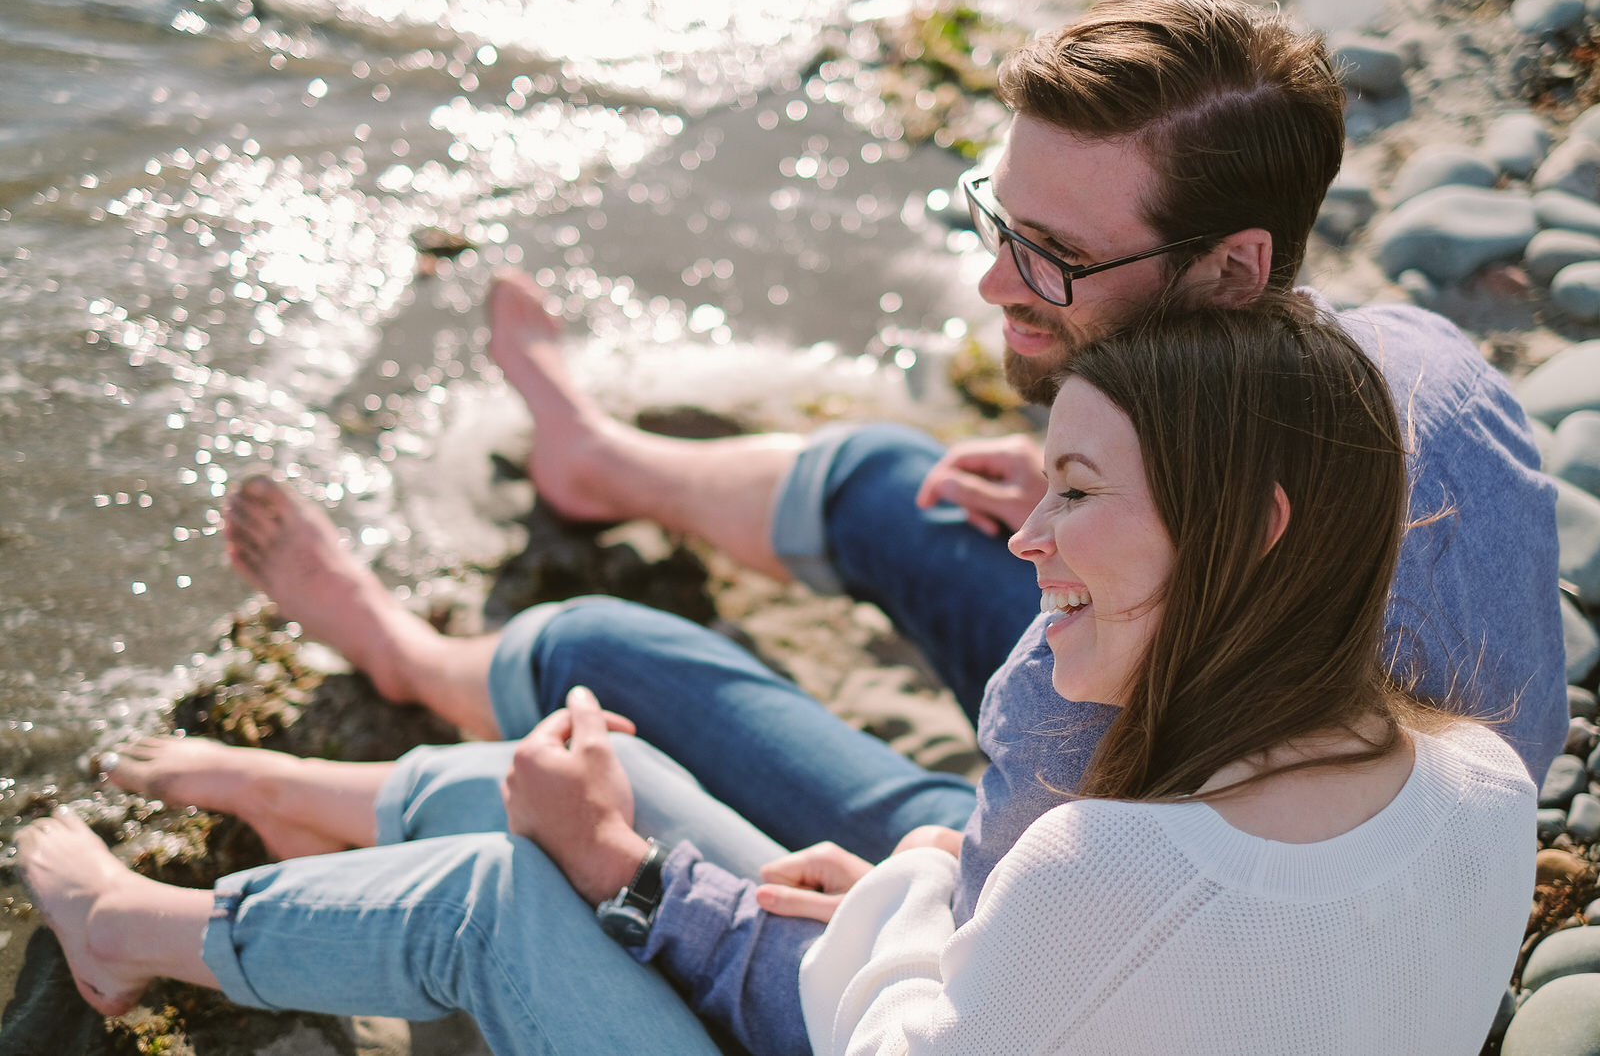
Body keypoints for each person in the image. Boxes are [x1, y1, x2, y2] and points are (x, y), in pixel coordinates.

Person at [19, 300, 1535, 1056]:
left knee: (502, 897)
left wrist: (649, 884)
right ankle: (321, 795)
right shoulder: (1479, 783)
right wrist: (933, 882)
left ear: (1250, 529)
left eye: (1077, 490)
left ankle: (125, 927)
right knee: (636, 778)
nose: (1031, 541)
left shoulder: (1113, 861)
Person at [208, 0, 1565, 804]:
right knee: (889, 478)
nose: (992, 287)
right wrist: (1082, 484)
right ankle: (599, 460)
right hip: (1332, 801)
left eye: (1056, 257)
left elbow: (992, 954)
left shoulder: (1069, 694)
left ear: (1233, 265)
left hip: (1146, 854)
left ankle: (404, 654)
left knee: (608, 655)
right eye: (999, 217)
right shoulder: (1422, 355)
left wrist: (848, 894)